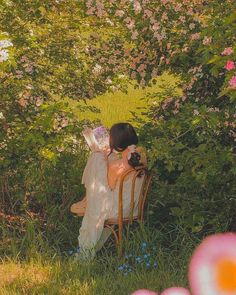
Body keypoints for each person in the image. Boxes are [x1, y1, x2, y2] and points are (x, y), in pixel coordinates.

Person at [70, 123, 147, 260]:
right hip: (133, 206)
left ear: (115, 141)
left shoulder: (118, 166)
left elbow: (108, 188)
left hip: (118, 208)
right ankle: (88, 199)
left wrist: (103, 159)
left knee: (96, 157)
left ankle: (88, 200)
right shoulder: (140, 154)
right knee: (98, 157)